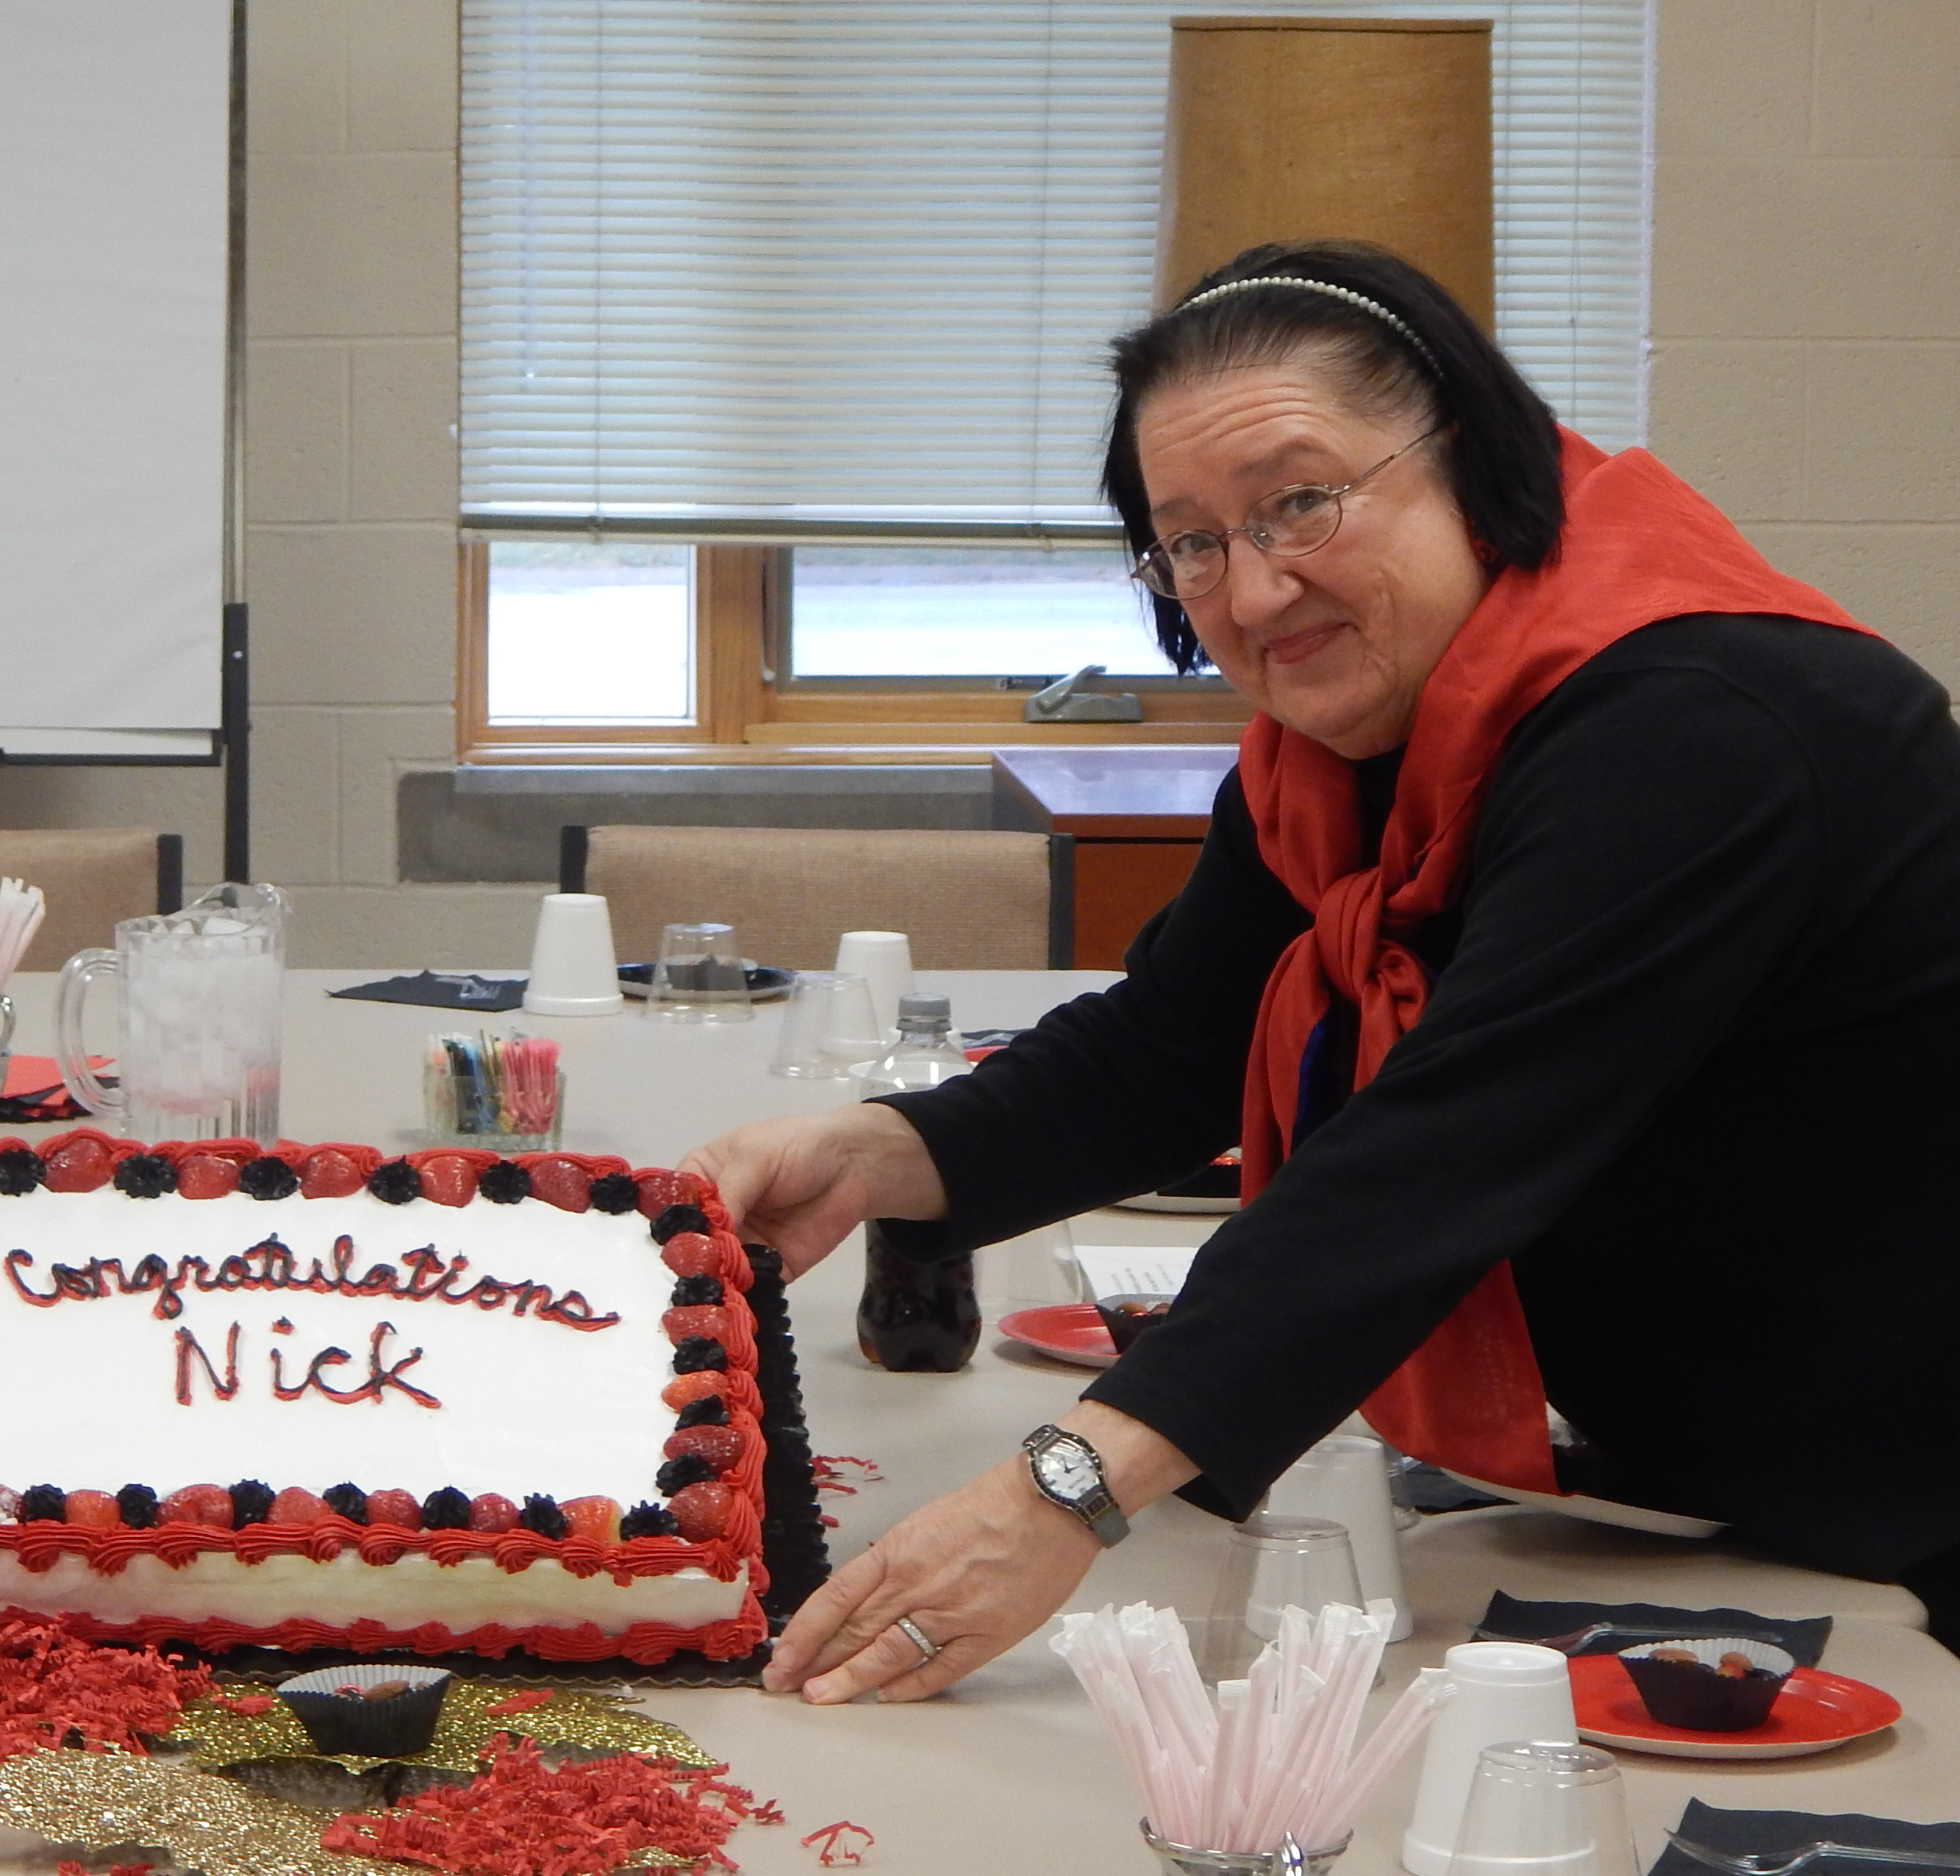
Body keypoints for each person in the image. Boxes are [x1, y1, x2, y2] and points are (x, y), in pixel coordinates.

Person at [687, 240, 1960, 1705]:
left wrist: (1063, 1491)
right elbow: (1171, 1045)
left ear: (1471, 460)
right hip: (1699, 1492)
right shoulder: (1343, 745)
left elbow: (1438, 1154)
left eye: (1300, 501)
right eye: (1192, 544)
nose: (1252, 586)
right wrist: (871, 1157)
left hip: (1908, 1500)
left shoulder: (1697, 725)